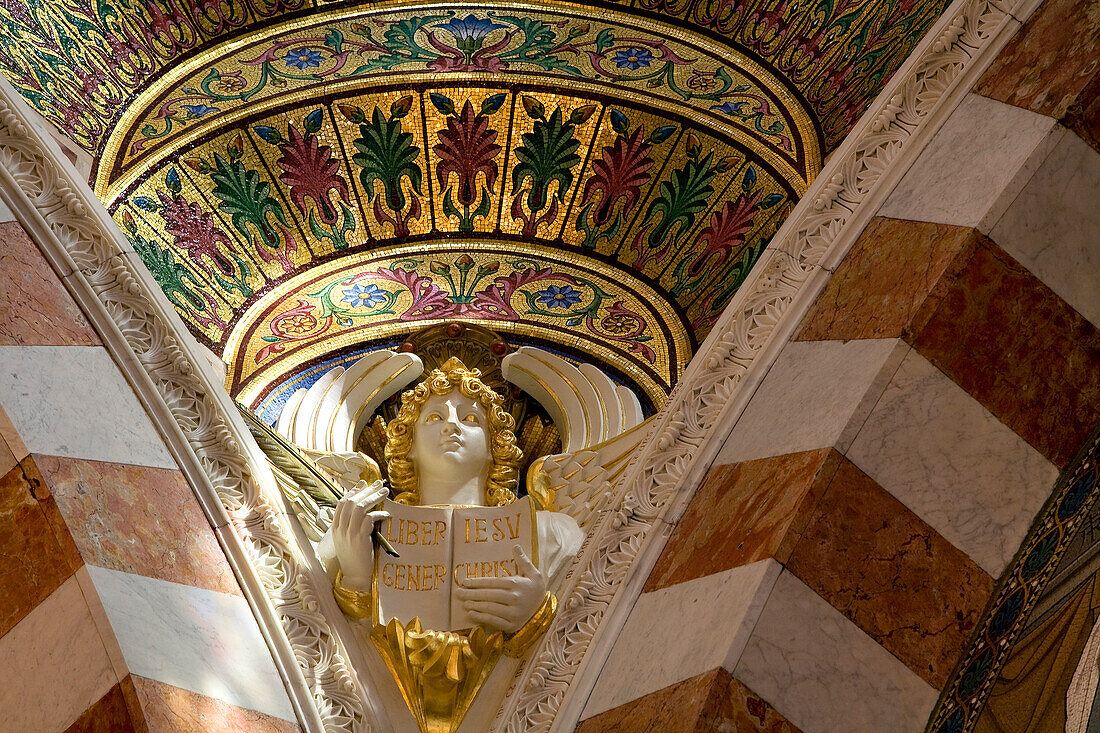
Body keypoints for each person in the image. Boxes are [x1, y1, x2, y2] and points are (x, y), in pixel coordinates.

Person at [319, 357, 583, 636]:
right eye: (435, 418)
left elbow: (592, 624)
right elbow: (325, 638)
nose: (451, 426)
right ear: (409, 445)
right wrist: (356, 578)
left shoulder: (549, 532)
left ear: (494, 445)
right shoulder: (361, 529)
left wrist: (538, 613)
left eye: (470, 419)